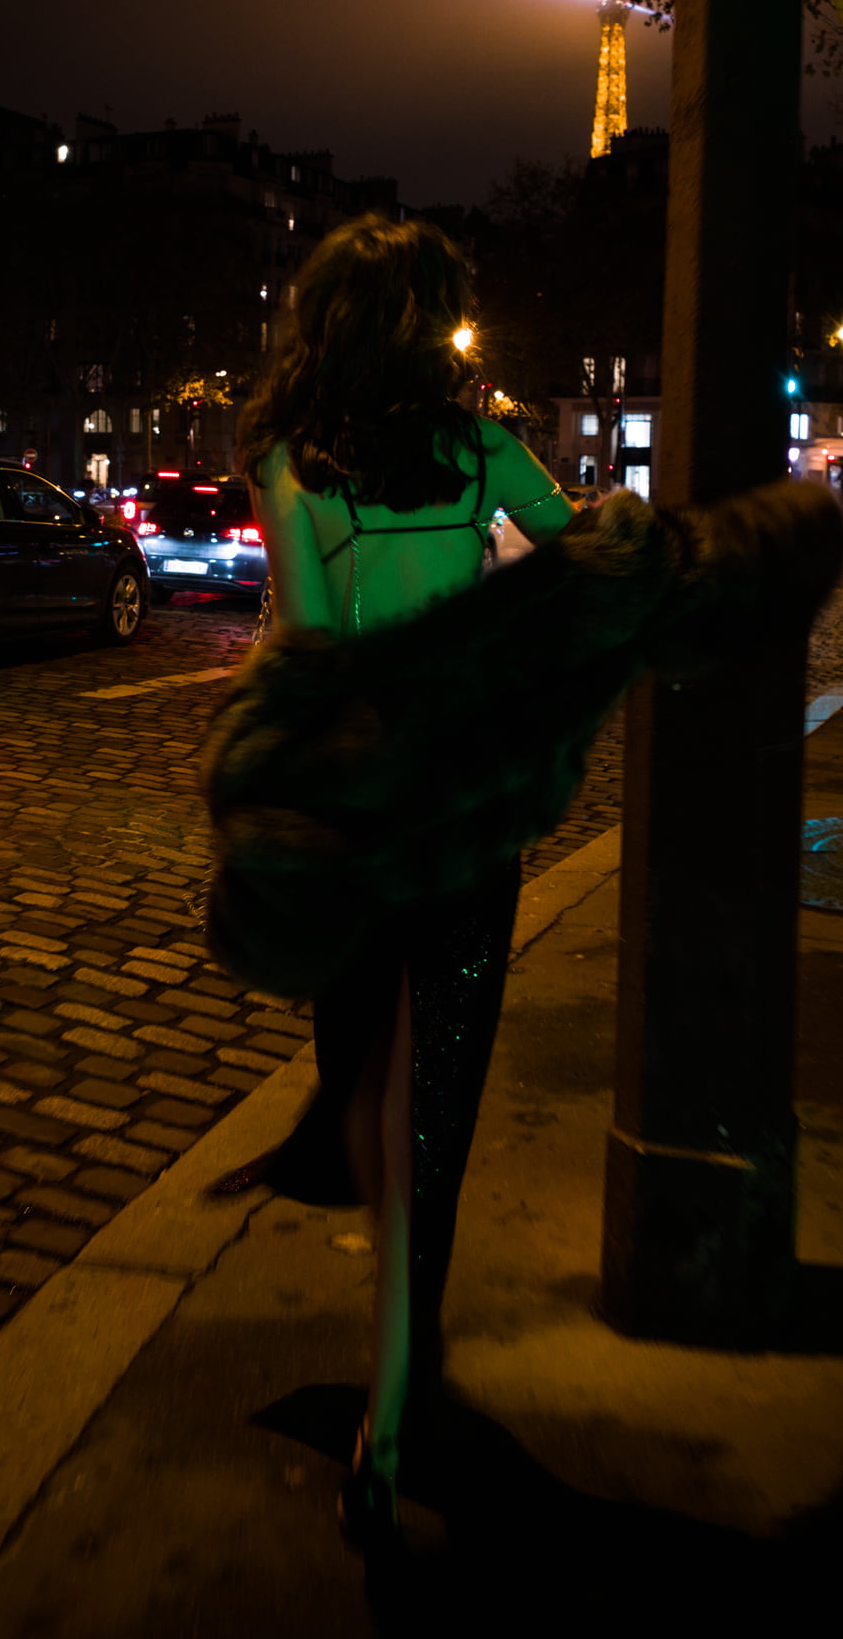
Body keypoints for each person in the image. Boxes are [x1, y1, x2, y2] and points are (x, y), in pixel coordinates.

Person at [226, 214, 576, 1554]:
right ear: (426, 326)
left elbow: (314, 657)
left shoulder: (290, 466)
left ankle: (392, 1376)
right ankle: (402, 1374)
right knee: (438, 1106)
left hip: (363, 836)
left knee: (370, 1099)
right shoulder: (486, 447)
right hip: (470, 827)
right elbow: (576, 553)